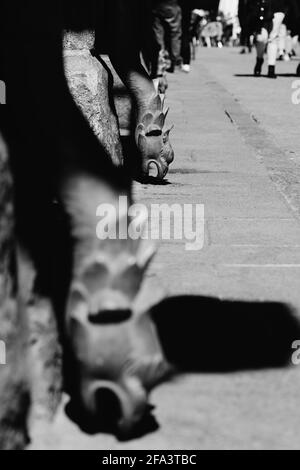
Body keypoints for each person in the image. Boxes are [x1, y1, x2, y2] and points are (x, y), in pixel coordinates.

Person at [252, 0, 297, 78]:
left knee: (273, 37)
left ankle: (271, 68)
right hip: (262, 8)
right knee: (261, 38)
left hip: (278, 8)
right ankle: (259, 59)